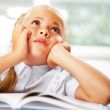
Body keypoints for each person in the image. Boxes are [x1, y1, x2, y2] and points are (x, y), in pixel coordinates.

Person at [0, 5, 110, 105]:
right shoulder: (4, 57)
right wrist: (16, 55)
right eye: (36, 22)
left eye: (55, 29)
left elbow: (104, 93)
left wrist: (61, 55)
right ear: (17, 31)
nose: (44, 31)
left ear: (61, 43)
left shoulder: (61, 77)